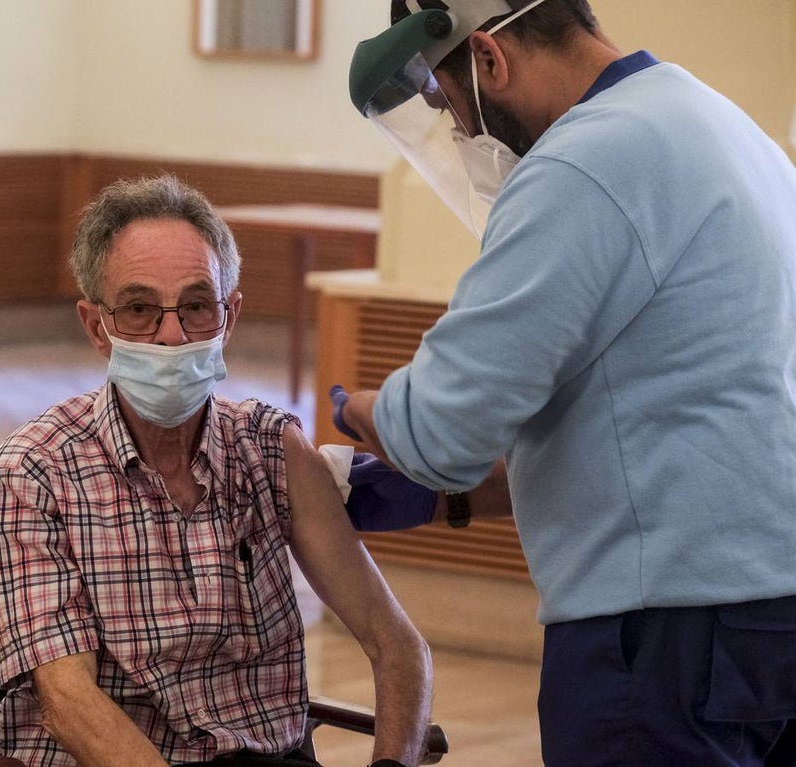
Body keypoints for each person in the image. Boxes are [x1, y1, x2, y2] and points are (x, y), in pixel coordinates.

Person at [335, 1, 796, 764]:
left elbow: (437, 433)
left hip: (661, 639)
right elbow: (663, 409)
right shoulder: (721, 124)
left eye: (445, 99)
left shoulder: (582, 162)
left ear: (489, 59)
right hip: (764, 620)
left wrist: (357, 409)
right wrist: (454, 500)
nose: (456, 130)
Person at [0, 175, 433, 767]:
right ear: (97, 327)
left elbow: (397, 645)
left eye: (197, 305)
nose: (172, 334)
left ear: (230, 315)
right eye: (140, 309)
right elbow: (70, 705)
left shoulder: (273, 451)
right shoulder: (35, 473)